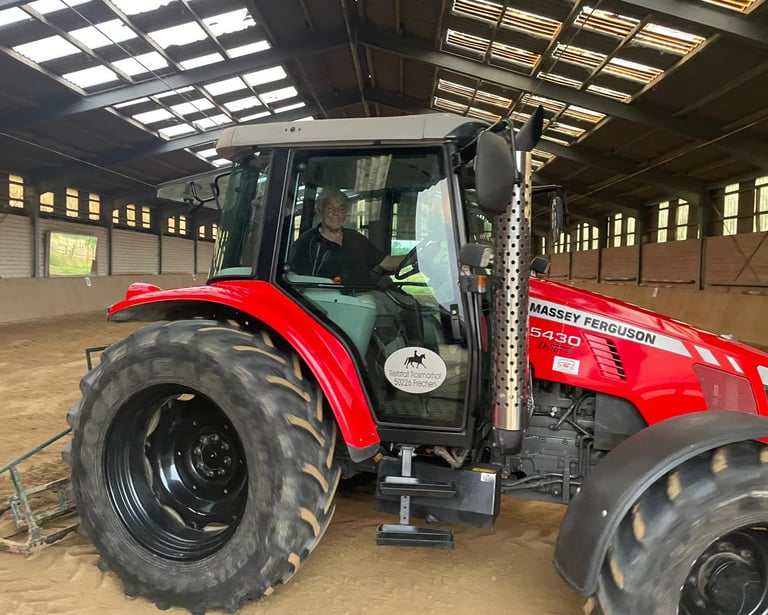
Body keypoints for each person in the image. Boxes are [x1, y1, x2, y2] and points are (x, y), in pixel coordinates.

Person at [288, 187, 403, 285]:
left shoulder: (356, 238)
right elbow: (294, 278)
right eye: (330, 209)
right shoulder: (307, 242)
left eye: (341, 209)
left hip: (365, 299)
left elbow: (388, 263)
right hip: (328, 304)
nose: (336, 213)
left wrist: (415, 257)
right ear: (320, 211)